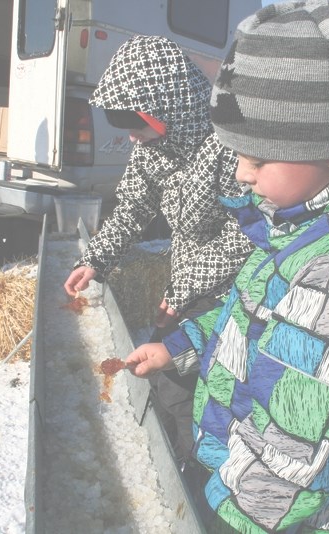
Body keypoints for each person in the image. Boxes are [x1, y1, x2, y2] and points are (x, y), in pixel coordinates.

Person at [126, 2, 329, 532]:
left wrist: (231, 516)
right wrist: (179, 345)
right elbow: (254, 321)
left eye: (259, 158)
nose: (243, 174)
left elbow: (295, 454)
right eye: (238, 154)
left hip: (282, 517)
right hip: (246, 487)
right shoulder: (298, 225)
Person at [62, 35, 254, 463]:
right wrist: (96, 259)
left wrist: (185, 287)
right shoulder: (153, 150)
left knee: (210, 390)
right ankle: (177, 456)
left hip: (233, 291)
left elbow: (246, 235)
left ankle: (199, 471)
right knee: (168, 380)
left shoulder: (225, 149)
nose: (131, 138)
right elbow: (132, 207)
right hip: (187, 281)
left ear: (167, 109)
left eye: (136, 125)